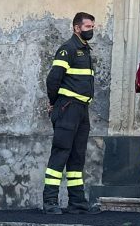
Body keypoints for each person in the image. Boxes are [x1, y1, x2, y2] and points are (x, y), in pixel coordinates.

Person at [42, 12, 101, 214]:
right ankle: (50, 201)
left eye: (93, 27)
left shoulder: (84, 50)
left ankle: (77, 203)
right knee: (60, 153)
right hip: (67, 108)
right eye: (87, 27)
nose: (91, 30)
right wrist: (54, 103)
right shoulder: (68, 49)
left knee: (77, 156)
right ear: (76, 28)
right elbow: (53, 79)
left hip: (81, 109)